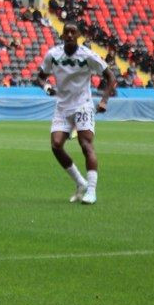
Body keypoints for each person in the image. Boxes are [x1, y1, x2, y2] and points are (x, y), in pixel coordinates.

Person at [35, 23, 116, 205]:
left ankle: (92, 191)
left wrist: (104, 100)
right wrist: (47, 86)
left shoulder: (87, 55)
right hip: (63, 106)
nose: (70, 35)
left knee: (85, 144)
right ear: (62, 35)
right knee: (56, 145)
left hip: (83, 106)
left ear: (79, 34)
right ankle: (81, 183)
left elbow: (111, 77)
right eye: (67, 32)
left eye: (73, 32)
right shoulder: (53, 55)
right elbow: (40, 76)